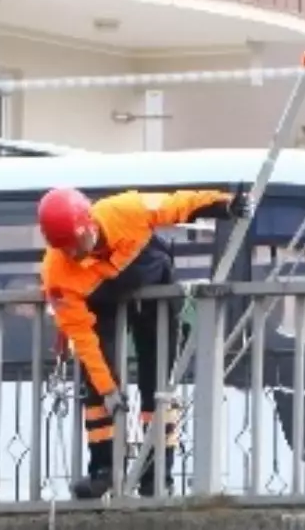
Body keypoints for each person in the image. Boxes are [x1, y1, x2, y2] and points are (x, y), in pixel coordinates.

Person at [38, 182, 247, 499]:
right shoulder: (58, 272)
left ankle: (156, 477)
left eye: (78, 242)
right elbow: (82, 335)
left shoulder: (126, 210)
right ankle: (104, 470)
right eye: (66, 248)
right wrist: (109, 390)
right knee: (96, 385)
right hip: (100, 301)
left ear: (91, 223)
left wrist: (224, 206)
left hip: (152, 286)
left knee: (158, 383)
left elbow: (179, 204)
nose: (75, 253)